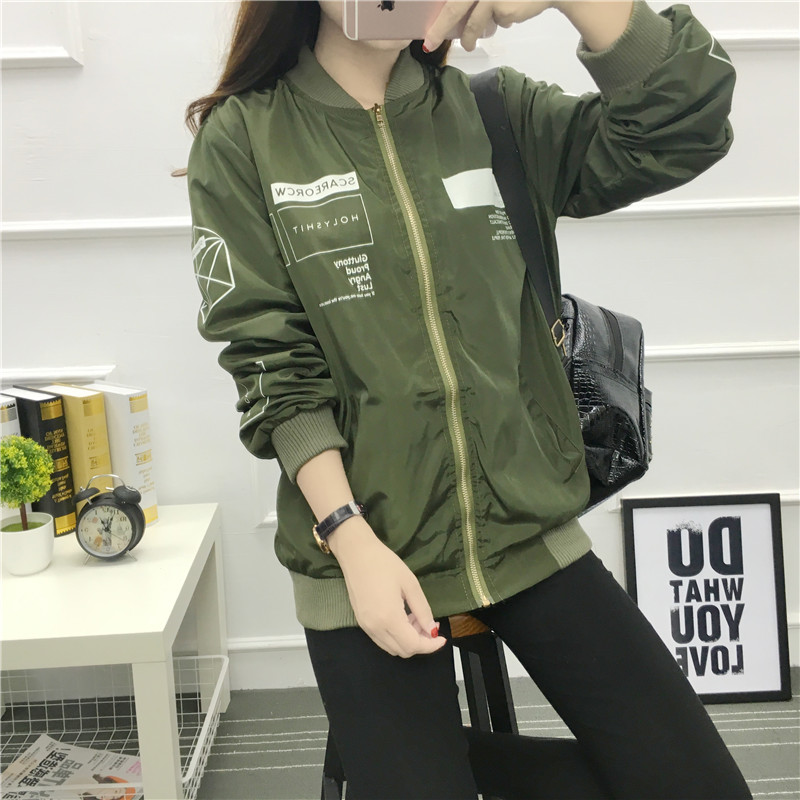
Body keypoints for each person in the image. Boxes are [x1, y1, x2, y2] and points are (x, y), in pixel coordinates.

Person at [180, 1, 752, 797]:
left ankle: (386, 756)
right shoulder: (244, 137)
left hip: (526, 527)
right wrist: (350, 540)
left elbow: (683, 128)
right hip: (364, 545)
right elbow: (272, 364)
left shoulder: (496, 115)